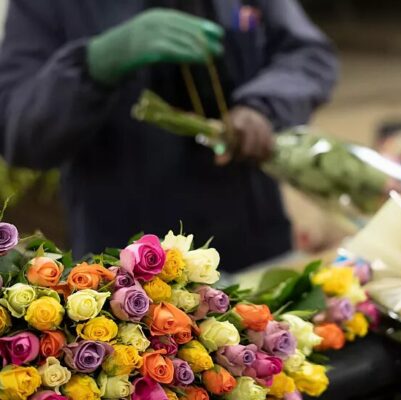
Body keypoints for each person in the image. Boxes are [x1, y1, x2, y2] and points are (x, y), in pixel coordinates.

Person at [0, 0, 337, 271]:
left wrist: (263, 106)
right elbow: (19, 133)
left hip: (256, 249)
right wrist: (94, 63)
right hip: (127, 277)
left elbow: (309, 55)